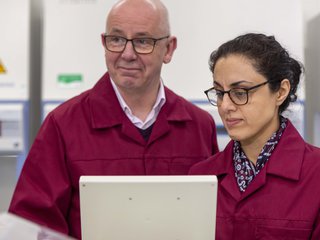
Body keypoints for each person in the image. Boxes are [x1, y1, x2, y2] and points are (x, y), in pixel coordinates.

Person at [8, 0, 219, 239]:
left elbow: (216, 218)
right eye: (116, 40)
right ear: (104, 43)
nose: (127, 54)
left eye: (143, 41)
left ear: (169, 49)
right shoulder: (63, 125)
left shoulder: (199, 126)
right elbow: (31, 227)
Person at [189, 33, 320, 239]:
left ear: (280, 92)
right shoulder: (201, 178)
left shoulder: (316, 174)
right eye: (220, 93)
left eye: (240, 92)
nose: (225, 106)